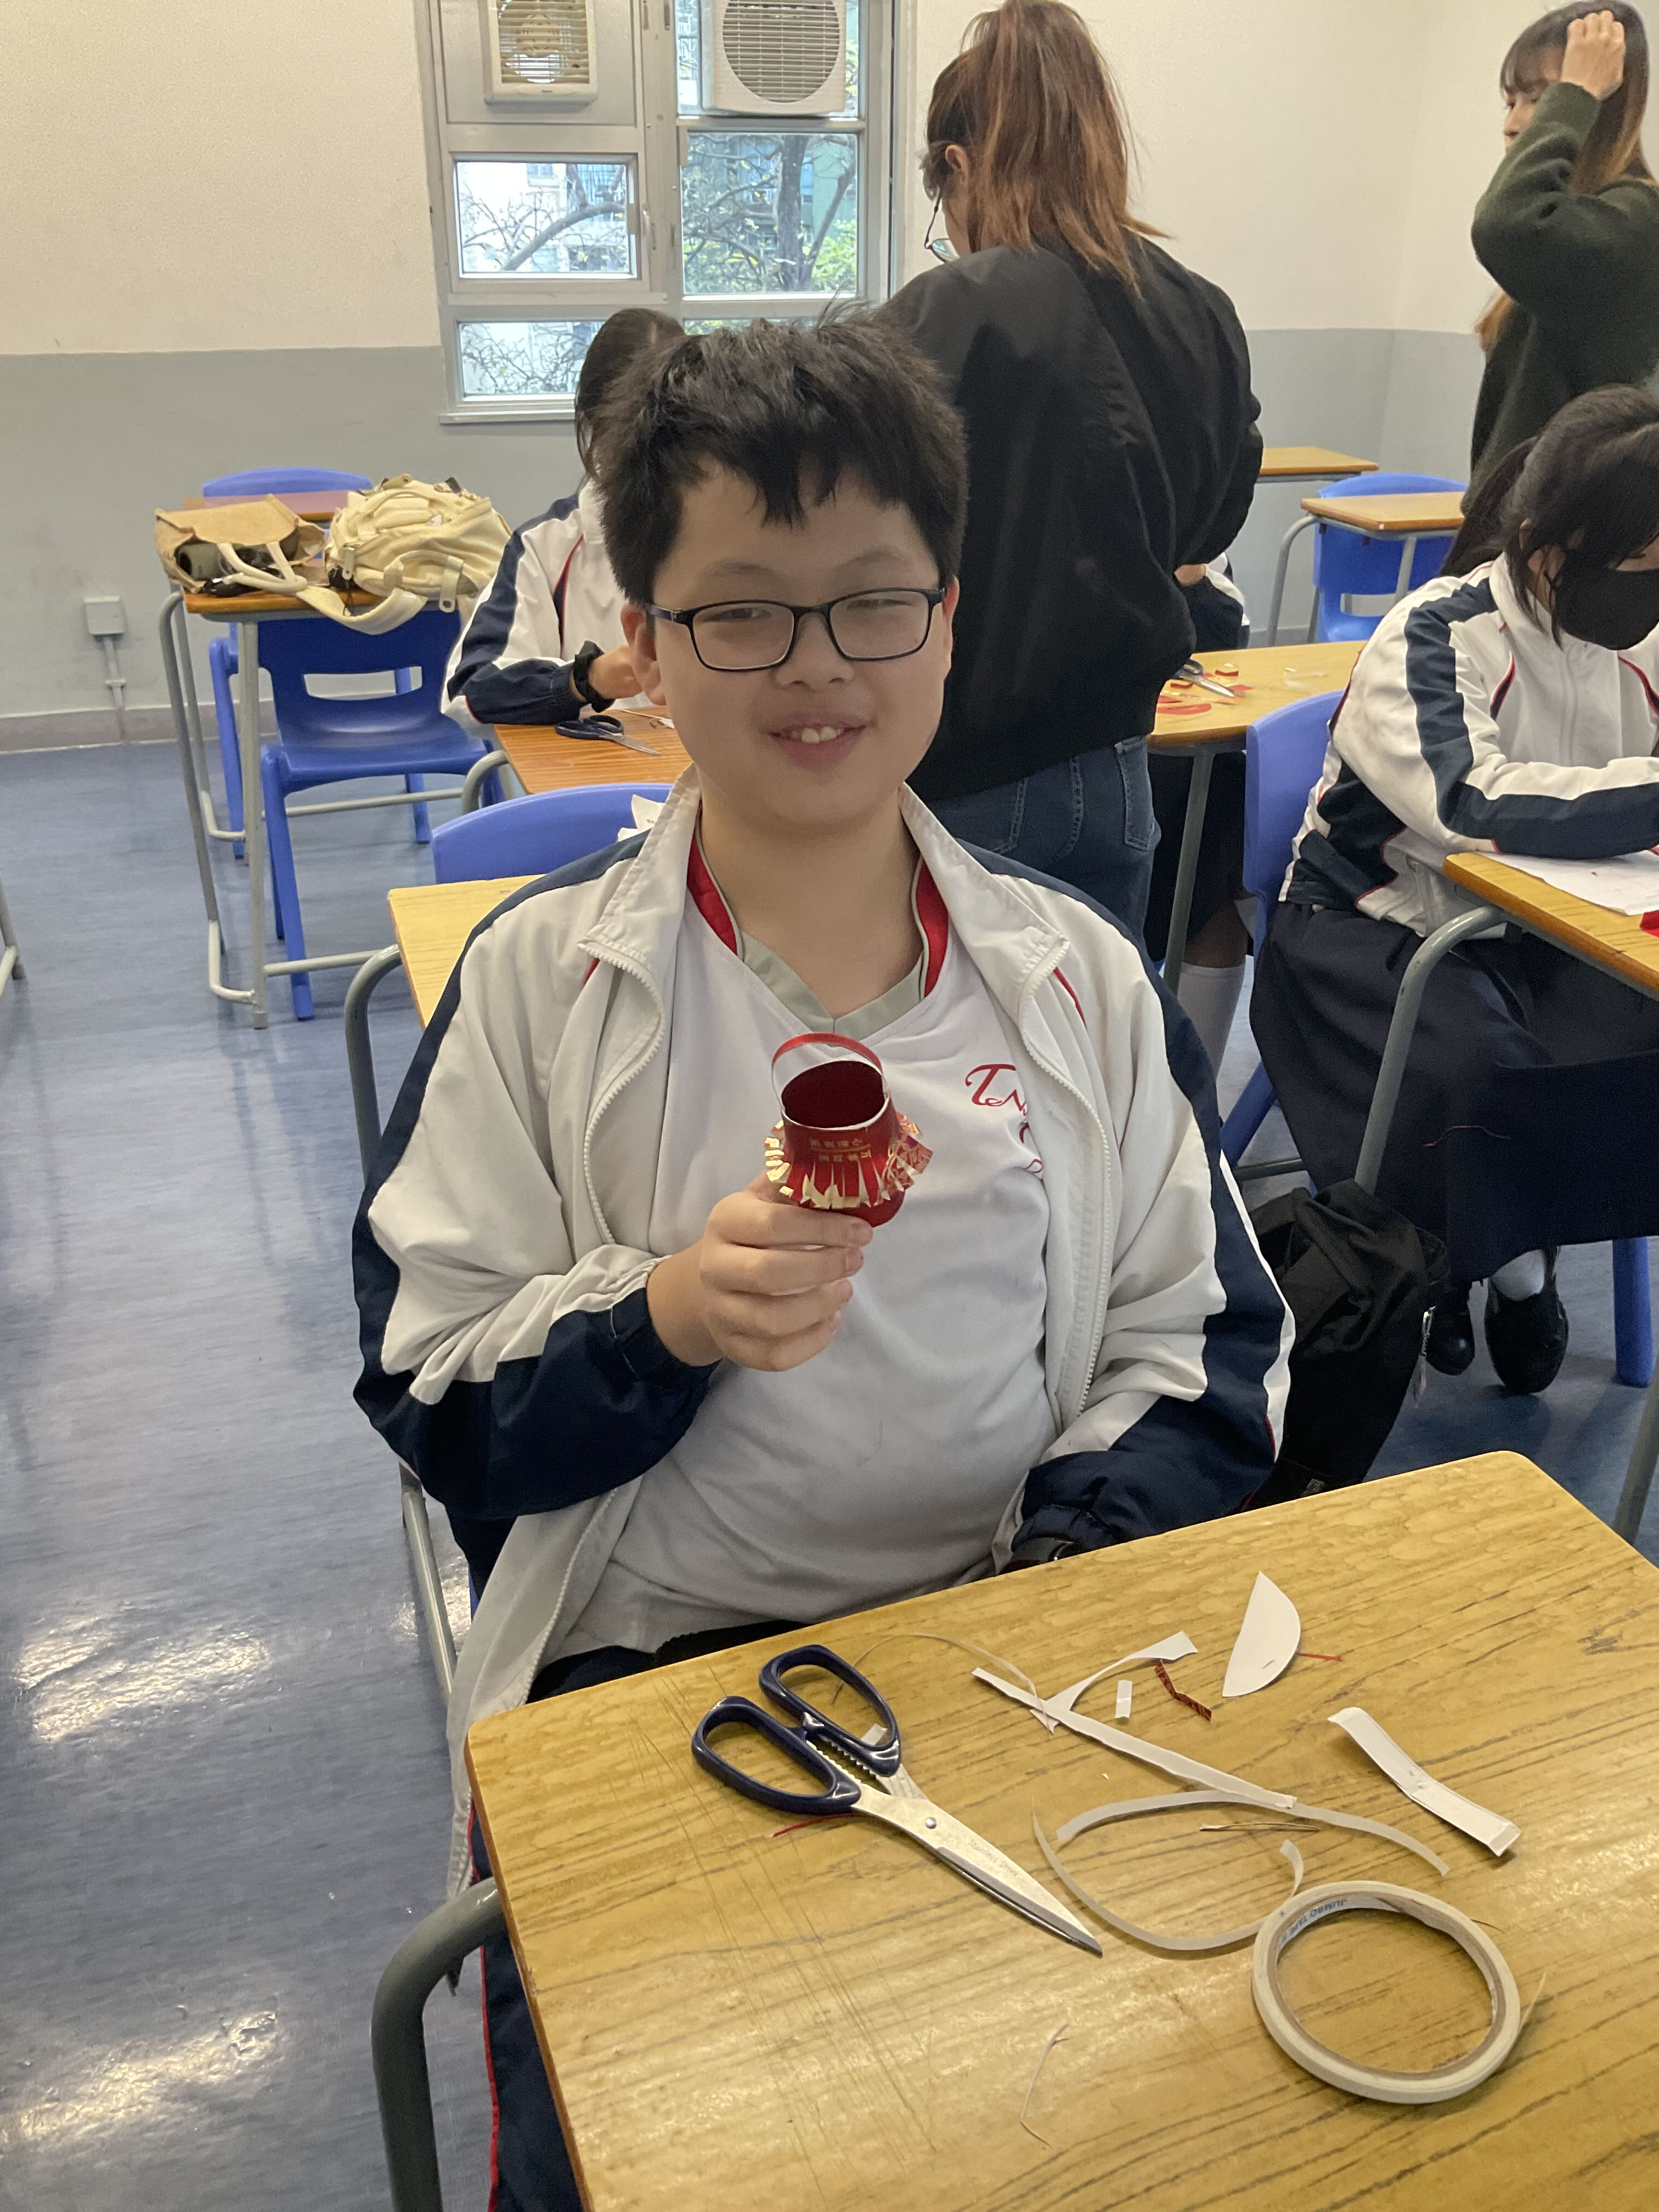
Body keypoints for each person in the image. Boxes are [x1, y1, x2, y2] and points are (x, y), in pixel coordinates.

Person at [353, 318, 1291, 2211]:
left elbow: (1201, 1346)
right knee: (655, 2160)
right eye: (741, 614)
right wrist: (663, 1317)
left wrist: (1050, 1594)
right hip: (652, 1679)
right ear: (643, 639)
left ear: (948, 621)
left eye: (872, 603)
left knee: (1098, 2133)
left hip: (1018, 1646)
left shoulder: (1074, 979)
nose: (817, 667)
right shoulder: (542, 990)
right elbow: (433, 1391)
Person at [1251, 385, 1659, 1396]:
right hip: (1374, 920)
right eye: (1635, 567)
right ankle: (1512, 1274)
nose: (1646, 591)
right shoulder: (1437, 630)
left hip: (1555, 926)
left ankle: (1509, 1248)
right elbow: (1469, 800)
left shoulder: (1644, 639)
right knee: (1480, 1074)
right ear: (1544, 549)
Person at [881, 0, 1261, 947]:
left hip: (956, 776)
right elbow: (1210, 527)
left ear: (958, 166)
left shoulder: (940, 315)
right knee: (1092, 1020)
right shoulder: (1201, 311)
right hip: (1120, 770)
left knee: (947, 1033)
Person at [442, 306, 684, 730]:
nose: (651, 459)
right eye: (630, 436)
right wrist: (584, 680)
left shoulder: (736, 537)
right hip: (597, 766)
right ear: (592, 421)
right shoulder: (546, 548)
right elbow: (470, 693)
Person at [1470, 4, 1659, 490]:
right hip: (1517, 515)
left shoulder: (1636, 218)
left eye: (1539, 99)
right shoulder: (1575, 220)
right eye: (1510, 102)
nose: (1514, 123)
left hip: (1567, 520)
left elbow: (1505, 225)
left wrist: (1578, 90)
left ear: (1600, 103)